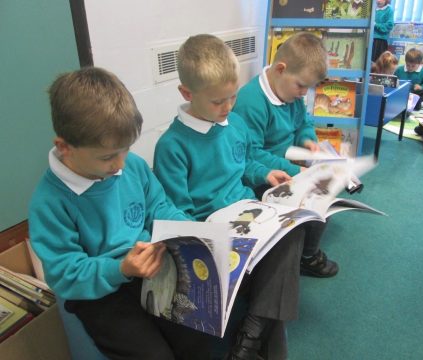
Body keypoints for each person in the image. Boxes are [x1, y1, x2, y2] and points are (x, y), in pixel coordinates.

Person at [154, 34, 333, 360]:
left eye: (233, 97)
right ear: (187, 93)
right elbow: (175, 210)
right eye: (218, 101)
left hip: (248, 211)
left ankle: (251, 330)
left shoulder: (232, 122)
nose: (228, 108)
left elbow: (246, 159)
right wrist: (208, 236)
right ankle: (256, 334)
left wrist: (264, 175)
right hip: (211, 230)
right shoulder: (172, 146)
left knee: (291, 234)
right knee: (277, 283)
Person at [28, 67, 212, 360]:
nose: (120, 164)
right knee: (153, 355)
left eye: (125, 149)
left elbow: (159, 208)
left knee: (199, 329)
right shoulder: (50, 202)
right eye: (107, 157)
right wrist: (121, 269)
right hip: (97, 292)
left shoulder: (133, 166)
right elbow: (64, 275)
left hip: (148, 271)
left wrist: (196, 232)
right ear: (64, 148)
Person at [232, 31, 338, 279]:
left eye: (308, 88)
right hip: (260, 177)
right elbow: (252, 154)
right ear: (280, 69)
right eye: (301, 86)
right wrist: (296, 172)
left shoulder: (290, 92)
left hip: (287, 166)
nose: (303, 93)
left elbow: (303, 123)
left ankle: (305, 250)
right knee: (316, 201)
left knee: (326, 192)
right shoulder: (251, 102)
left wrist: (309, 141)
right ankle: (307, 258)